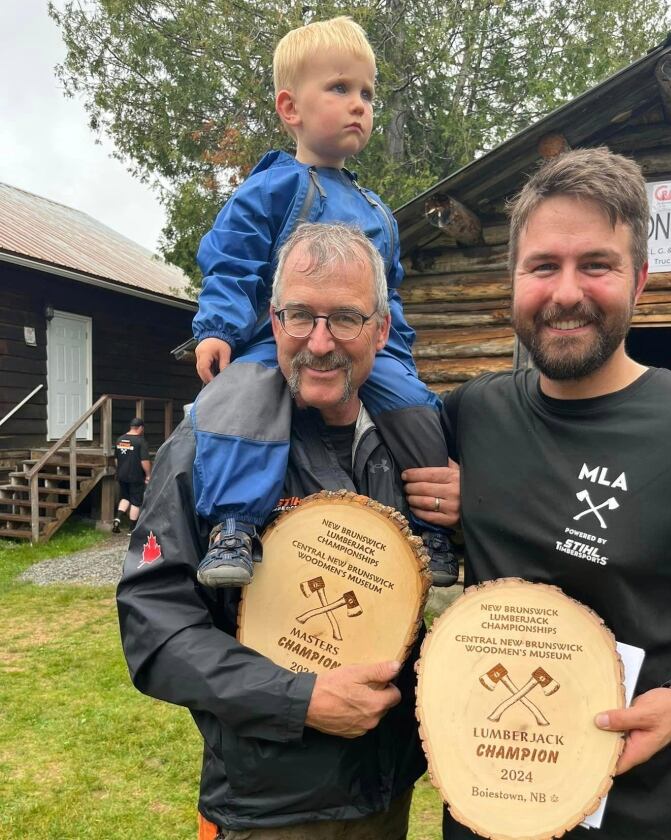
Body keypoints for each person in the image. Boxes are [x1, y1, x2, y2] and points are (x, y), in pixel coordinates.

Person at [437, 147, 671, 839]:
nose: (566, 292)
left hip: (634, 815)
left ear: (641, 280)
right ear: (513, 280)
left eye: (596, 264)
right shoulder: (472, 414)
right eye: (542, 266)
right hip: (483, 804)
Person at [116, 224, 459, 839]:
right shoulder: (207, 448)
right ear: (273, 321)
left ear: (382, 330)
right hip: (266, 810)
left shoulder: (416, 446)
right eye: (299, 315)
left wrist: (473, 508)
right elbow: (154, 626)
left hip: (387, 794)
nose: (319, 343)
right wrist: (298, 699)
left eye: (346, 319)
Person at [189, 16, 457, 589]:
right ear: (292, 108)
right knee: (242, 397)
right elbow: (232, 261)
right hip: (276, 341)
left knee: (416, 405)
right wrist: (218, 327)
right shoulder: (271, 188)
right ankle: (234, 525)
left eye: (366, 92)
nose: (358, 104)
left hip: (366, 351)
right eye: (340, 88)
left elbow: (391, 299)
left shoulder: (378, 211)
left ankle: (428, 530)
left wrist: (399, 357)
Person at [112, 417, 150, 533]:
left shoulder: (120, 439)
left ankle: (117, 520)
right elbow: (144, 461)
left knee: (125, 497)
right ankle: (132, 529)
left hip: (122, 474)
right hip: (136, 476)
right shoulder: (140, 441)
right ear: (140, 428)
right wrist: (148, 475)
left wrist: (120, 470)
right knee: (135, 501)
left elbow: (116, 459)